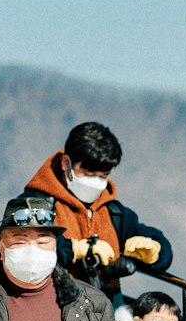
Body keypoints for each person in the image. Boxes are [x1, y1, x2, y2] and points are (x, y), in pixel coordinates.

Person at [25, 122, 173, 290]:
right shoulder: (35, 204)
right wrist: (74, 249)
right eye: (88, 174)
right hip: (53, 308)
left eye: (103, 176)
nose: (95, 183)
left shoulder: (114, 212)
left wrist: (155, 251)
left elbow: (164, 250)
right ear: (66, 163)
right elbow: (22, 248)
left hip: (104, 310)